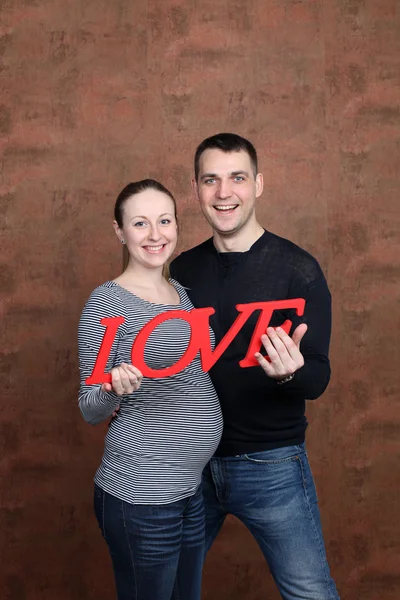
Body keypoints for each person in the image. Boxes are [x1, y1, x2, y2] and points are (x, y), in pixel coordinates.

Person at [170, 133, 340, 600]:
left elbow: (318, 378)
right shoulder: (181, 271)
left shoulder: (298, 270)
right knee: (164, 590)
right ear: (196, 189)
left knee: (310, 593)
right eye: (211, 180)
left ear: (259, 184)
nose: (224, 193)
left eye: (237, 178)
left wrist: (290, 372)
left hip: (271, 463)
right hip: (190, 465)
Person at [78, 179, 223, 600]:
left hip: (190, 491)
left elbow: (197, 376)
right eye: (140, 223)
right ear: (120, 232)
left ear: (177, 225)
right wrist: (114, 388)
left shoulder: (182, 295)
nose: (155, 234)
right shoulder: (106, 302)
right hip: (140, 496)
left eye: (164, 220)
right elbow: (90, 408)